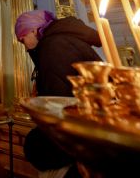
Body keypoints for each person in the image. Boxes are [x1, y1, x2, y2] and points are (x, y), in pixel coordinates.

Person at [15, 10, 102, 177]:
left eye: (22, 38)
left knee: (36, 147)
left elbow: (58, 104)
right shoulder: (64, 40)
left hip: (82, 139)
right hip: (93, 129)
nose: (24, 46)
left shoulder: (53, 46)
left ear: (33, 30)